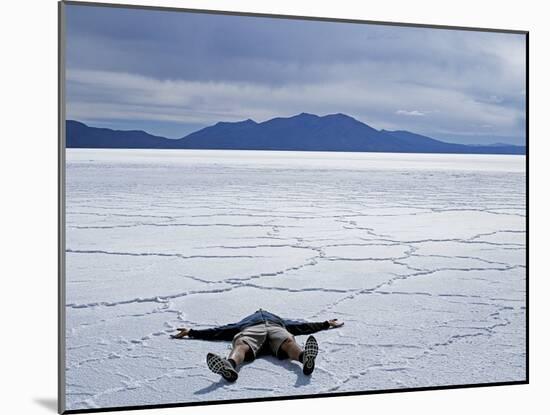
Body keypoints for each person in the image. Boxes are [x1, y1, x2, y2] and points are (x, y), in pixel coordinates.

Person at [171, 308, 344, 382]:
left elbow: (301, 326)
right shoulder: (245, 322)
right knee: (242, 344)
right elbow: (221, 330)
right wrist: (192, 332)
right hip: (252, 329)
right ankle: (228, 366)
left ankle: (305, 357)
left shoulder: (280, 321)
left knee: (287, 340)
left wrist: (325, 323)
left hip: (275, 329)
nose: (261, 311)